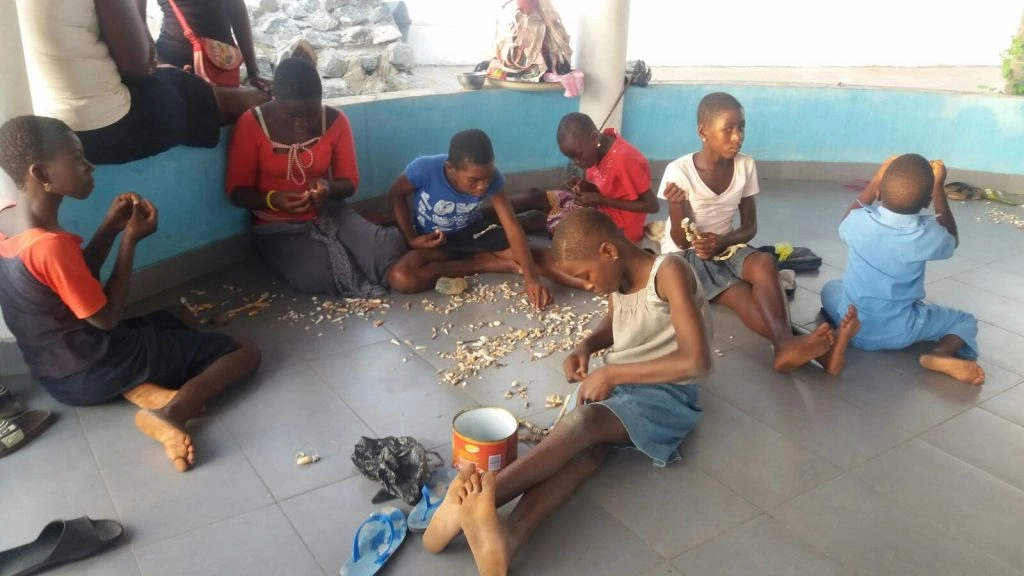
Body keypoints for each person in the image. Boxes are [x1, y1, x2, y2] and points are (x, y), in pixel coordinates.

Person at [422, 208, 712, 575]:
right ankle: (508, 539)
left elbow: (697, 361)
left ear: (609, 251)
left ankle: (479, 501)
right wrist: (587, 346)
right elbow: (616, 319)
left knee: (583, 423)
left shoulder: (668, 272)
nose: (587, 286)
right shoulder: (616, 277)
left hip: (667, 393)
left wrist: (613, 372)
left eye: (585, 276)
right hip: (623, 384)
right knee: (585, 456)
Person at [0, 115, 261, 471]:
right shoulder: (48, 246)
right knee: (245, 352)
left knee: (180, 316)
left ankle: (139, 388)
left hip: (55, 369)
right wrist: (129, 242)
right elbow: (106, 318)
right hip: (94, 363)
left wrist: (109, 228)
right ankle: (171, 412)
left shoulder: (8, 223)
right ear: (42, 175)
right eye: (77, 159)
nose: (89, 167)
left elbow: (72, 282)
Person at [658, 92, 856, 374]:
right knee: (738, 291)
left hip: (727, 244)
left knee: (764, 263)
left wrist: (723, 241)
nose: (737, 137)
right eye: (728, 129)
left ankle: (787, 347)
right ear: (703, 131)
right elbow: (680, 239)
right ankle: (796, 347)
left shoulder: (745, 165)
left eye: (741, 127)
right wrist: (677, 207)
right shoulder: (679, 171)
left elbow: (750, 228)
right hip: (688, 254)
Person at [226, 58, 407, 297]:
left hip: (330, 210)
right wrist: (273, 200)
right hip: (277, 223)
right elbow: (236, 191)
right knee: (316, 275)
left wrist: (328, 189)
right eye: (291, 116)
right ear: (274, 98)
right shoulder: (252, 123)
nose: (301, 124)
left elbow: (349, 183)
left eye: (310, 115)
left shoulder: (336, 121)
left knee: (386, 251)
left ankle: (374, 242)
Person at [17, 0, 269, 165]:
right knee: (189, 91)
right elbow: (135, 65)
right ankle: (268, 95)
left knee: (182, 85)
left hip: (60, 127)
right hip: (111, 126)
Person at [822, 154, 985, 385]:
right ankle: (939, 354)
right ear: (927, 201)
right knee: (964, 320)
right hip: (901, 331)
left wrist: (878, 177)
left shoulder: (858, 222)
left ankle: (842, 335)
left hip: (852, 323)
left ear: (879, 193)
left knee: (831, 288)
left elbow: (847, 217)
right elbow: (951, 238)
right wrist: (938, 187)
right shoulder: (926, 235)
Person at [386, 129, 570, 308]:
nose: (483, 187)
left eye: (487, 178)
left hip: (475, 232)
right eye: (473, 180)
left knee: (531, 256)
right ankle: (481, 263)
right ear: (450, 168)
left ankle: (583, 278)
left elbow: (512, 227)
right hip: (436, 241)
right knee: (401, 277)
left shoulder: (492, 178)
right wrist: (411, 238)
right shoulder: (424, 169)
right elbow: (396, 195)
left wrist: (531, 279)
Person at [507, 112, 658, 242]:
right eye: (571, 157)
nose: (577, 162)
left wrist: (600, 200)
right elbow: (609, 188)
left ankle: (493, 230)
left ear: (594, 138)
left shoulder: (624, 159)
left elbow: (652, 206)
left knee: (536, 219)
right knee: (534, 196)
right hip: (598, 207)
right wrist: (586, 186)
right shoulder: (595, 149)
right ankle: (484, 218)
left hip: (619, 229)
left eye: (578, 156)